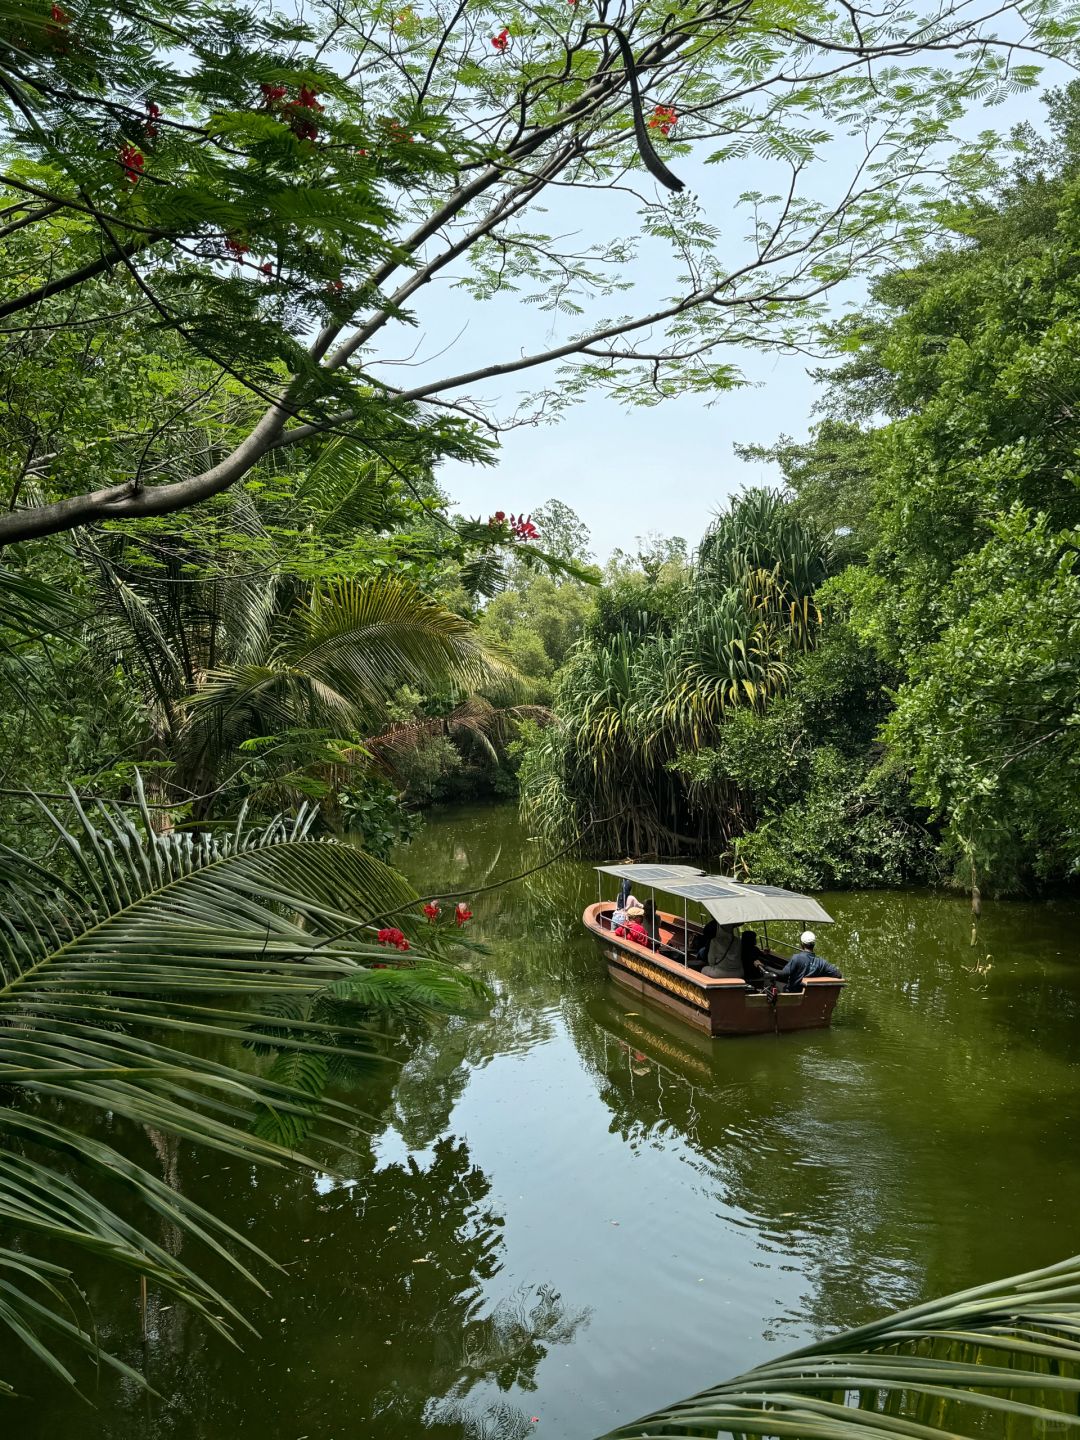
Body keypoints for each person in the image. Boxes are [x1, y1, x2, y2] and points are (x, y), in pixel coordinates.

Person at [758, 931, 841, 992]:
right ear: (814, 945)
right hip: (808, 997)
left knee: (768, 981)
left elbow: (783, 975)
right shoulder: (822, 963)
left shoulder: (796, 958)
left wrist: (764, 967)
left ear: (802, 944)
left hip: (792, 994)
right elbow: (838, 975)